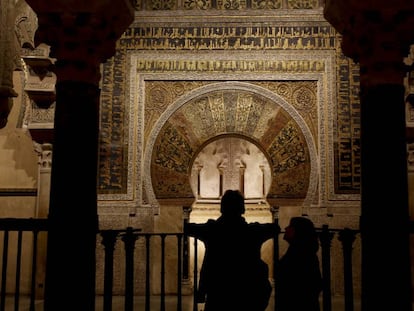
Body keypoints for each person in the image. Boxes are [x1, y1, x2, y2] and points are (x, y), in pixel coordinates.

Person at [184, 189, 280, 311]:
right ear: (242, 208)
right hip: (245, 290)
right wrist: (255, 225)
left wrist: (211, 224)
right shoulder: (252, 232)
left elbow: (187, 228)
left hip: (218, 290)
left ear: (222, 208)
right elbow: (275, 228)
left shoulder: (212, 231)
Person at [277, 216, 323, 311]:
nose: (285, 228)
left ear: (297, 231)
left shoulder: (300, 254)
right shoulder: (300, 251)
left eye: (290, 226)